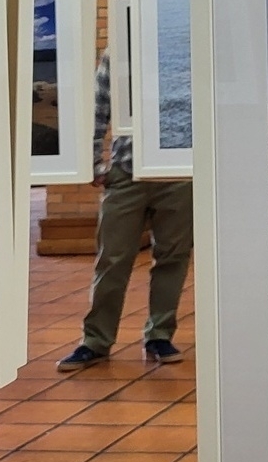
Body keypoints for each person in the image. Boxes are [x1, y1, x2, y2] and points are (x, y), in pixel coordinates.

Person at [57, 54, 194, 371]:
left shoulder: (187, 44)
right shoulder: (117, 49)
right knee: (112, 258)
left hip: (178, 172)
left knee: (173, 256)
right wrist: (91, 162)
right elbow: (97, 106)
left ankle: (159, 335)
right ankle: (95, 342)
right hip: (125, 173)